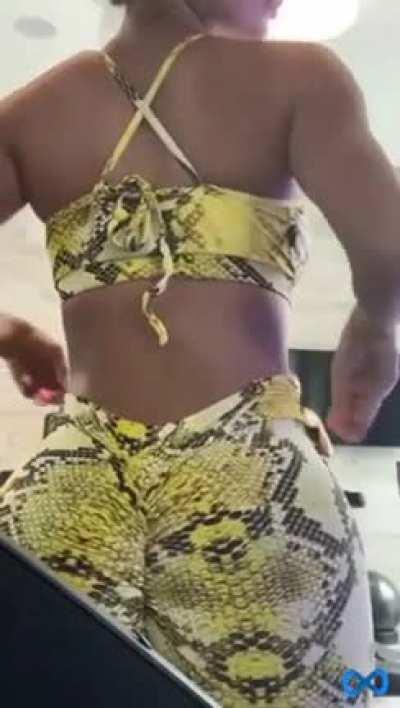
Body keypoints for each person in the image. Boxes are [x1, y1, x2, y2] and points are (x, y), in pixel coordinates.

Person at [0, 0, 399, 705]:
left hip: (75, 484)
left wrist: (11, 334)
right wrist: (375, 327)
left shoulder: (29, 114)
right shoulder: (301, 77)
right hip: (252, 477)